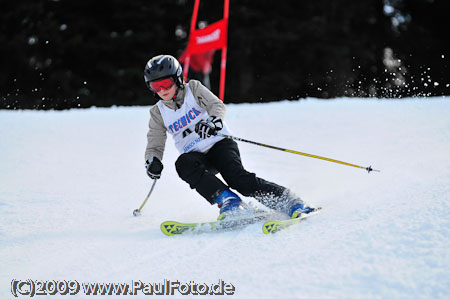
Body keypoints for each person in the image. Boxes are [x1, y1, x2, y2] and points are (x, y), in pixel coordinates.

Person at [143, 54, 314, 220]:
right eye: (155, 86)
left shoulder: (193, 89)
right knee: (183, 164)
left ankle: (291, 202)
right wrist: (153, 161)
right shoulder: (158, 112)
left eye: (166, 83)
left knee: (238, 180)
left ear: (178, 79)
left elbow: (216, 105)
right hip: (196, 156)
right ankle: (230, 202)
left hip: (219, 144)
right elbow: (155, 143)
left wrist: (212, 122)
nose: (162, 90)